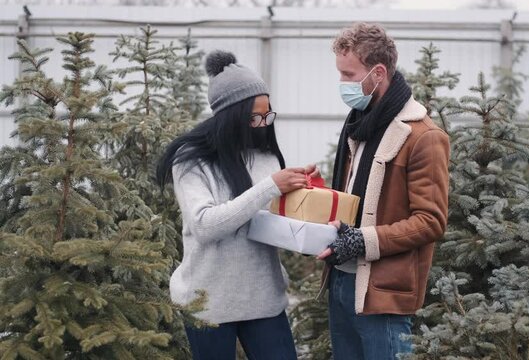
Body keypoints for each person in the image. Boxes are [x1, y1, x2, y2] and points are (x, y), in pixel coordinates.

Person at [157, 50, 311, 360]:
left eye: (268, 115)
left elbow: (275, 221)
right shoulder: (192, 162)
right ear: (231, 117)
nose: (262, 124)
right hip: (208, 302)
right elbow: (204, 225)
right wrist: (269, 186)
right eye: (255, 117)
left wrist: (306, 194)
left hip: (263, 298)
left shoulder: (266, 156)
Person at [316, 22, 451, 359]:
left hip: (383, 294)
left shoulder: (422, 136)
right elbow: (355, 201)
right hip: (342, 282)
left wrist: (363, 240)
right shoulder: (359, 124)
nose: (343, 84)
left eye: (349, 75)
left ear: (377, 73)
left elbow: (430, 221)